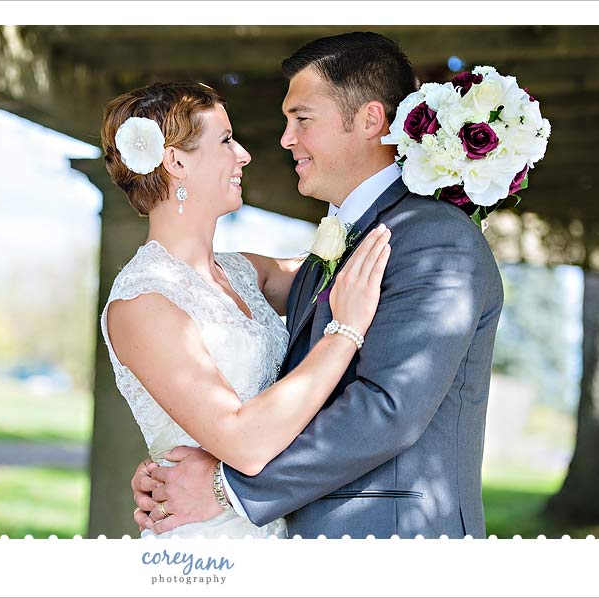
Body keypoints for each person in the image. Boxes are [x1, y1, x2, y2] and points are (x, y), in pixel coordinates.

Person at [131, 32, 504, 539]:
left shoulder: (435, 240)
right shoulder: (338, 245)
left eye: (302, 119)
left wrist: (224, 487)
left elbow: (387, 409)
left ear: (370, 121)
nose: (284, 139)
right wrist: (174, 457)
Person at [99, 81, 392, 538]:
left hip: (276, 527)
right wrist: (343, 332)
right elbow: (245, 443)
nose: (244, 154)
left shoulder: (244, 272)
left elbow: (350, 267)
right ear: (176, 162)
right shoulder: (142, 303)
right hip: (206, 541)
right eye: (225, 140)